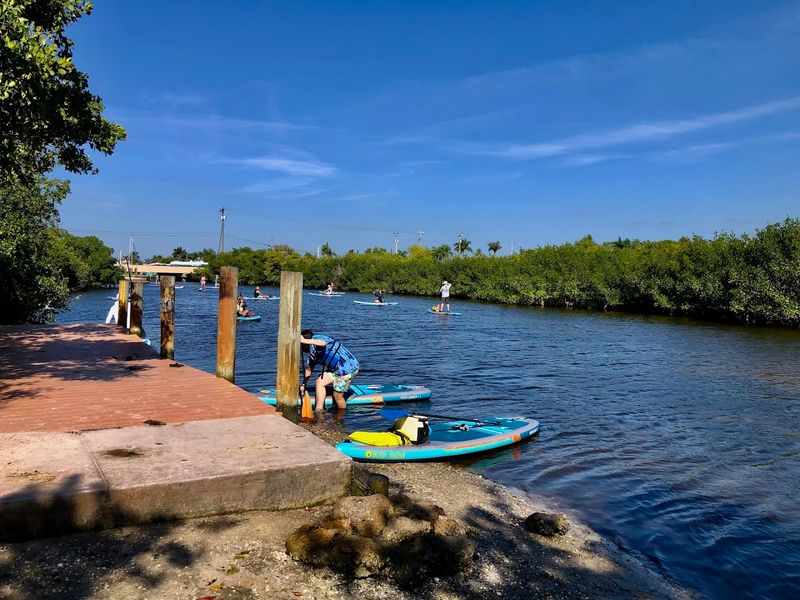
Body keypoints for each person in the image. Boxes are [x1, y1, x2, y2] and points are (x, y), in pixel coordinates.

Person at [300, 329, 360, 411]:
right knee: (319, 382)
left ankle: (340, 417)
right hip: (336, 370)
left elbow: (323, 343)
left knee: (337, 396)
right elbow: (309, 369)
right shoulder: (312, 352)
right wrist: (304, 384)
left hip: (348, 369)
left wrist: (304, 340)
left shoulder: (318, 339)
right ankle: (319, 409)